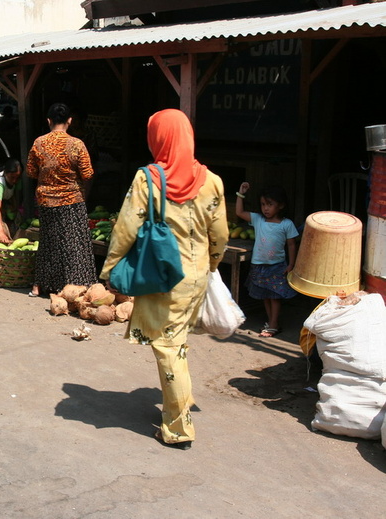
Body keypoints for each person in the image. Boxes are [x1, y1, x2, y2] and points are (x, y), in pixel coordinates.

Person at [100, 108, 229, 450]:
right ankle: (181, 400)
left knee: (168, 347)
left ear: (157, 138)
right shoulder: (212, 181)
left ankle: (178, 426)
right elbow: (220, 236)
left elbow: (126, 227)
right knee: (178, 342)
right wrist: (210, 265)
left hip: (163, 278)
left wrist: (111, 270)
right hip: (198, 275)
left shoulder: (149, 179)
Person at [26, 102, 97, 297]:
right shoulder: (77, 144)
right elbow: (88, 173)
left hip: (46, 201)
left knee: (48, 243)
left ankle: (38, 286)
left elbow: (31, 172)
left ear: (48, 121)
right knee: (74, 244)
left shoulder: (38, 143)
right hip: (71, 200)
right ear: (70, 121)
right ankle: (75, 287)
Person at [235, 182, 298, 337]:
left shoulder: (286, 224)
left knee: (275, 296)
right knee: (265, 295)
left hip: (277, 266)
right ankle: (272, 323)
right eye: (263, 204)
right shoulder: (258, 219)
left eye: (270, 204)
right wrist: (240, 194)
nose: (266, 208)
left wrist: (291, 264)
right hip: (258, 265)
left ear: (281, 205)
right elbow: (239, 212)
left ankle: (274, 324)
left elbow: (291, 245)